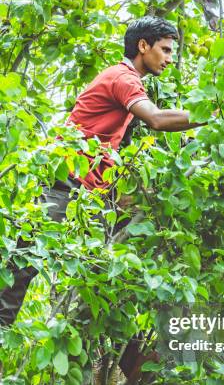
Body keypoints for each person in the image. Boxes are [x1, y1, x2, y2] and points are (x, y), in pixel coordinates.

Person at [0, 16, 201, 328]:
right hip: (65, 183)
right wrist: (208, 114)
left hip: (92, 195)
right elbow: (158, 120)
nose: (170, 59)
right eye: (165, 50)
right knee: (25, 262)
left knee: (113, 274)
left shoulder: (131, 82)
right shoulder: (122, 78)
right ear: (143, 46)